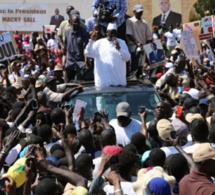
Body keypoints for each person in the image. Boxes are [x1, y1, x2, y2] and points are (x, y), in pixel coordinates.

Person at [85, 23, 130, 87]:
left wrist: (119, 48)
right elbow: (88, 53)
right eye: (111, 32)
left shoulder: (121, 43)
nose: (113, 35)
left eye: (115, 33)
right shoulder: (99, 43)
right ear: (107, 32)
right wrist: (91, 41)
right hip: (103, 84)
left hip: (119, 83)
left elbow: (127, 58)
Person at [126, 4, 152, 74]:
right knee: (138, 52)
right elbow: (128, 34)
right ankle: (133, 72)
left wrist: (149, 49)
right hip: (133, 45)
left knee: (143, 64)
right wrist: (136, 42)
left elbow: (149, 37)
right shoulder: (130, 21)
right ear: (134, 12)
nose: (140, 13)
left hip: (143, 47)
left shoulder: (144, 23)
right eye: (138, 12)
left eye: (141, 12)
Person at [64, 14, 89, 81]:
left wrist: (85, 62)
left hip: (81, 63)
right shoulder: (67, 33)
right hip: (70, 63)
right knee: (69, 82)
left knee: (82, 82)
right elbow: (66, 48)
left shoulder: (83, 32)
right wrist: (65, 61)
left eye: (77, 22)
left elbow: (85, 48)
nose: (76, 23)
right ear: (71, 22)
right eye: (74, 22)